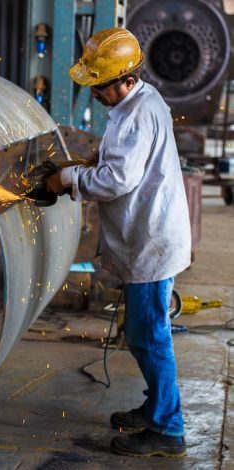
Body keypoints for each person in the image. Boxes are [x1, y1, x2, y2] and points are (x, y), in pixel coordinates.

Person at [45, 27, 191, 458]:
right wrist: (93, 159)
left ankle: (168, 429)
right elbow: (123, 160)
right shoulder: (136, 103)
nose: (94, 93)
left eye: (99, 85)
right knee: (144, 333)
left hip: (151, 242)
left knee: (150, 336)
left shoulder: (139, 111)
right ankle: (157, 408)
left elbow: (119, 180)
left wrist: (67, 178)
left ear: (126, 79)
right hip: (149, 237)